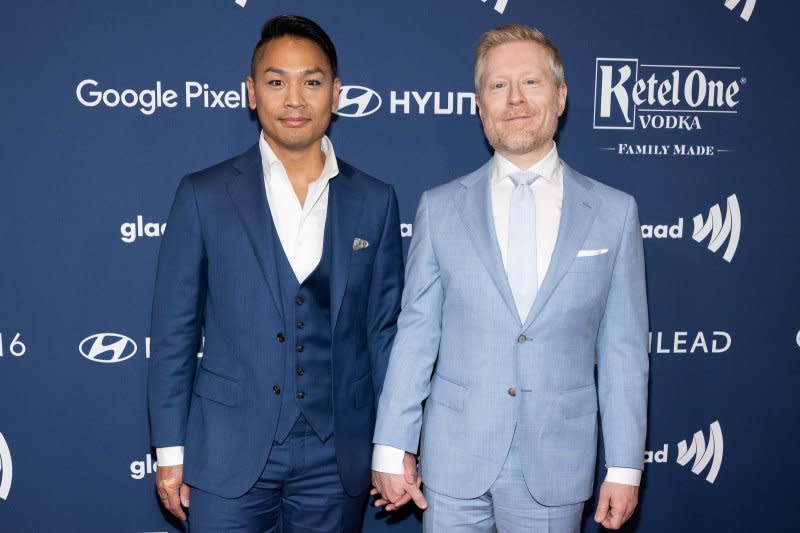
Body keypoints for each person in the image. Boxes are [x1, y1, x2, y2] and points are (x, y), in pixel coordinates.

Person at [371, 23, 648, 532]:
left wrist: (626, 465)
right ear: (479, 105)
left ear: (561, 97)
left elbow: (624, 349)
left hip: (556, 465)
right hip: (454, 459)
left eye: (531, 83)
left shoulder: (613, 213)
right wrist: (392, 445)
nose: (515, 100)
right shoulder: (440, 208)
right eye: (498, 86)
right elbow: (415, 334)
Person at [148, 14, 403, 532]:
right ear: (251, 92)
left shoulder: (376, 200)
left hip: (337, 456)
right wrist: (171, 448)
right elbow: (174, 333)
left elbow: (385, 334)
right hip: (225, 449)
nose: (294, 98)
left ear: (335, 93)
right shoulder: (203, 194)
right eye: (275, 81)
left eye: (310, 82)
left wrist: (393, 444)